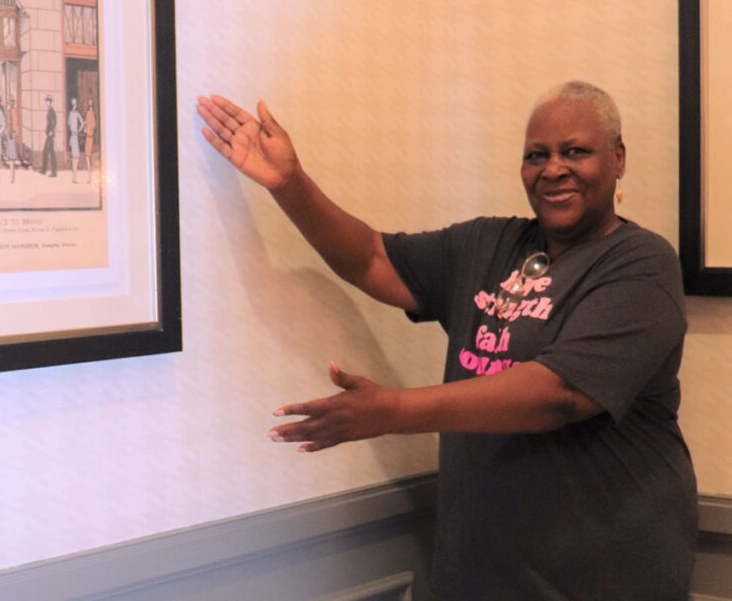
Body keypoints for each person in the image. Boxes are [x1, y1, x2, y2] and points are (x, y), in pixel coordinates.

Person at [196, 81, 697, 601]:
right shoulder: (490, 243)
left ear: (617, 159)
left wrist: (392, 411)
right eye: (535, 155)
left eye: (575, 152)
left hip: (606, 579)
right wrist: (289, 183)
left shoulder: (642, 265)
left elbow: (560, 394)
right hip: (483, 575)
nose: (552, 169)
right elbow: (371, 257)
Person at [67, 98, 84, 183]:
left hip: (75, 136)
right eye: (73, 105)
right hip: (72, 136)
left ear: (76, 106)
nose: (74, 106)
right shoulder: (70, 114)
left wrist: (78, 130)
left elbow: (82, 123)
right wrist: (73, 130)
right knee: (74, 157)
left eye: (75, 105)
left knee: (76, 157)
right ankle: (73, 177)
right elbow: (69, 123)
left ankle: (75, 176)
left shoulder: (77, 113)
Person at [41, 95, 58, 176]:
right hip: (49, 134)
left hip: (50, 135)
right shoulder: (49, 111)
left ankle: (53, 172)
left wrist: (51, 131)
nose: (46, 102)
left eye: (47, 101)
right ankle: (44, 170)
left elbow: (54, 122)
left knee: (51, 153)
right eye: (46, 101)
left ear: (50, 102)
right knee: (46, 152)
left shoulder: (52, 111)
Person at [82, 99, 96, 183]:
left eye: (91, 102)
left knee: (89, 154)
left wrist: (91, 127)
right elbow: (86, 122)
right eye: (89, 102)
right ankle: (89, 171)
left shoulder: (93, 113)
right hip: (88, 136)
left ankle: (90, 172)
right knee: (87, 154)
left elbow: (93, 124)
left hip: (91, 136)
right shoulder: (88, 113)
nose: (90, 103)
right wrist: (85, 128)